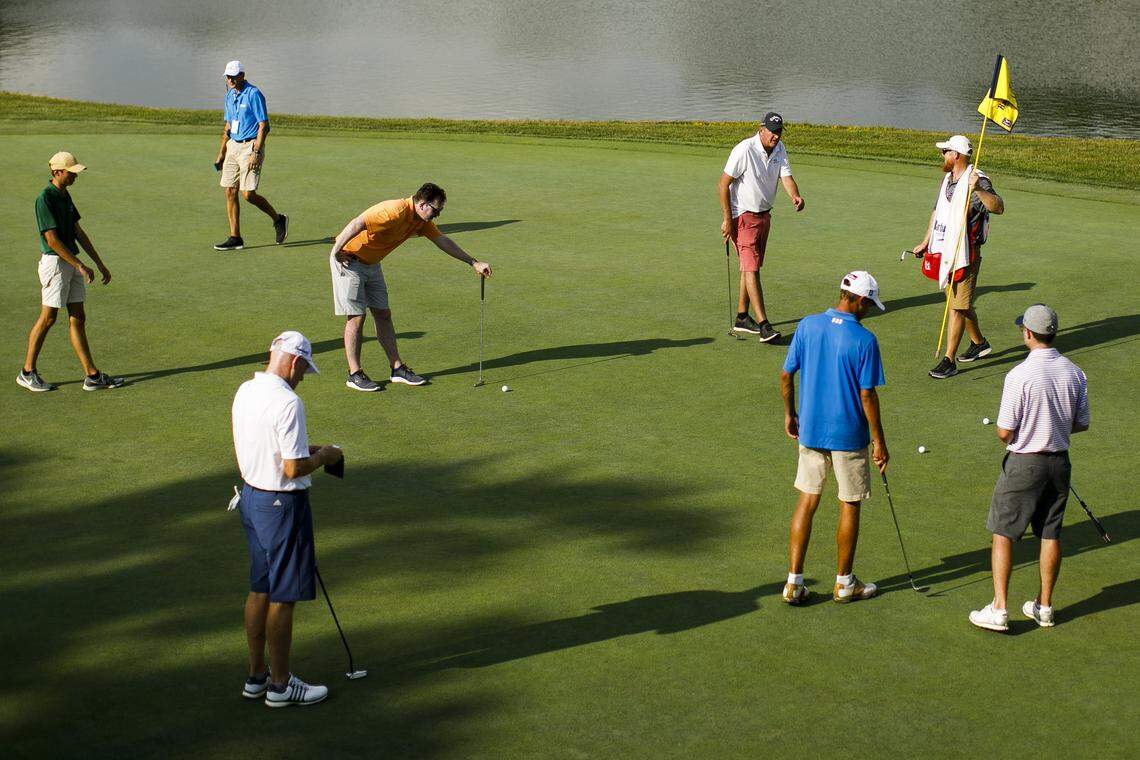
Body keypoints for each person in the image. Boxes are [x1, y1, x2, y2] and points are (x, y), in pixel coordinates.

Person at [231, 331, 345, 706]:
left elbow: (266, 446)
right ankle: (281, 685)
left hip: (251, 498)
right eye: (303, 371)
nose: (301, 379)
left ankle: (256, 677)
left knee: (259, 588)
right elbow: (294, 468)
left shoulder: (245, 390)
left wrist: (308, 450)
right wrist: (325, 456)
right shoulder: (288, 402)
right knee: (284, 597)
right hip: (282, 507)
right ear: (294, 362)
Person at [969, 304, 1090, 632]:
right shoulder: (1075, 371)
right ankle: (1044, 606)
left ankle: (999, 608)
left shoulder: (1019, 374)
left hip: (1025, 464)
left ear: (1028, 333)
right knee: (1050, 534)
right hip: (1059, 463)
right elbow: (1081, 423)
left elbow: (1004, 431)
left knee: (1003, 533)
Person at [779, 271, 888, 605]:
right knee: (849, 502)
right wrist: (879, 441)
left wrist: (790, 414)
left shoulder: (808, 325)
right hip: (848, 435)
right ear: (858, 300)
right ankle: (844, 583)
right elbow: (867, 395)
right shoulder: (865, 340)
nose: (868, 310)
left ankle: (793, 584)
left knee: (807, 499)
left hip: (810, 429)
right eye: (868, 303)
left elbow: (786, 375)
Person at [328, 182, 492, 391]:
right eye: (436, 210)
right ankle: (354, 374)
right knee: (357, 317)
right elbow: (357, 223)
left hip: (372, 264)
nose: (437, 215)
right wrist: (336, 250)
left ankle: (397, 369)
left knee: (383, 313)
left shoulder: (420, 222)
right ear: (422, 204)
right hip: (349, 260)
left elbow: (442, 240)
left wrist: (473, 262)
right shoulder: (393, 211)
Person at [18, 151, 123, 392]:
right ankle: (27, 372)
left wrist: (98, 262)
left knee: (78, 317)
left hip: (70, 262)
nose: (75, 176)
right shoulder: (45, 198)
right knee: (48, 318)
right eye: (70, 172)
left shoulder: (65, 196)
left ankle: (92, 375)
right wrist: (79, 265)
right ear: (57, 172)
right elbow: (52, 240)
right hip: (55, 264)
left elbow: (77, 231)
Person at [911, 134, 1004, 378]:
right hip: (945, 248)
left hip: (966, 253)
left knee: (957, 307)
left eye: (946, 151)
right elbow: (937, 211)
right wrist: (926, 241)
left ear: (957, 155)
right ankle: (979, 343)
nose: (942, 155)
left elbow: (998, 206)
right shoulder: (947, 179)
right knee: (958, 303)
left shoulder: (978, 180)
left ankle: (949, 360)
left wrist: (978, 190)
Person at [718, 112, 805, 343]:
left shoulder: (779, 148)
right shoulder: (744, 149)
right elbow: (723, 184)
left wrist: (795, 196)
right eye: (772, 132)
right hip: (743, 216)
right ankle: (764, 324)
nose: (776, 136)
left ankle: (742, 317)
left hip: (764, 216)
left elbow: (786, 177)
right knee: (751, 268)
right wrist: (728, 219)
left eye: (779, 132)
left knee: (750, 268)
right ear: (761, 129)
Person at [213, 60, 288, 251]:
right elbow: (229, 125)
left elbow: (264, 125)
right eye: (227, 76)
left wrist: (256, 152)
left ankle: (278, 219)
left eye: (233, 76)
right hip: (233, 146)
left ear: (242, 76)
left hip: (250, 147)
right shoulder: (229, 95)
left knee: (248, 194)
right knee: (229, 191)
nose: (229, 80)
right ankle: (235, 237)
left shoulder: (254, 94)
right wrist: (221, 151)